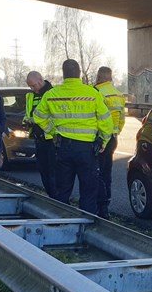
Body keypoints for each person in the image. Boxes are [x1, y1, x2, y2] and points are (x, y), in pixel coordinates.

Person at [34, 59, 113, 214]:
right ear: (79, 74)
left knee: (62, 191)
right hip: (87, 150)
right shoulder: (92, 93)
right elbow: (106, 121)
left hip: (62, 148)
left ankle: (60, 224)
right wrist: (103, 141)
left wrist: (52, 132)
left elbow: (38, 117)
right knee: (89, 192)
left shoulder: (52, 94)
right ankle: (86, 226)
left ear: (63, 74)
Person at [94, 66, 127, 219]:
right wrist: (116, 132)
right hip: (113, 137)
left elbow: (96, 117)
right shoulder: (119, 94)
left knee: (96, 172)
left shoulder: (96, 92)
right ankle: (106, 202)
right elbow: (122, 118)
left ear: (99, 77)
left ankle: (100, 206)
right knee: (107, 171)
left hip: (99, 138)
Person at [24, 71, 56, 198]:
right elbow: (29, 113)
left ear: (40, 80)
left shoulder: (53, 94)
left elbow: (56, 116)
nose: (32, 88)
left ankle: (57, 200)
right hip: (38, 140)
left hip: (51, 139)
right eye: (30, 86)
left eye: (33, 85)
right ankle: (51, 197)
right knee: (43, 172)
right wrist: (26, 121)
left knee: (54, 173)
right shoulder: (30, 96)